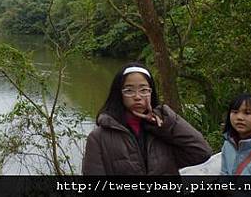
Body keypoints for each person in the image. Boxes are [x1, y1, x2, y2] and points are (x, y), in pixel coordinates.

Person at [82, 62, 212, 175]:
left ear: (151, 93)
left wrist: (167, 123)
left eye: (144, 90)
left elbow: (201, 152)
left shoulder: (163, 131)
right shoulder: (99, 138)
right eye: (129, 90)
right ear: (118, 94)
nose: (137, 96)